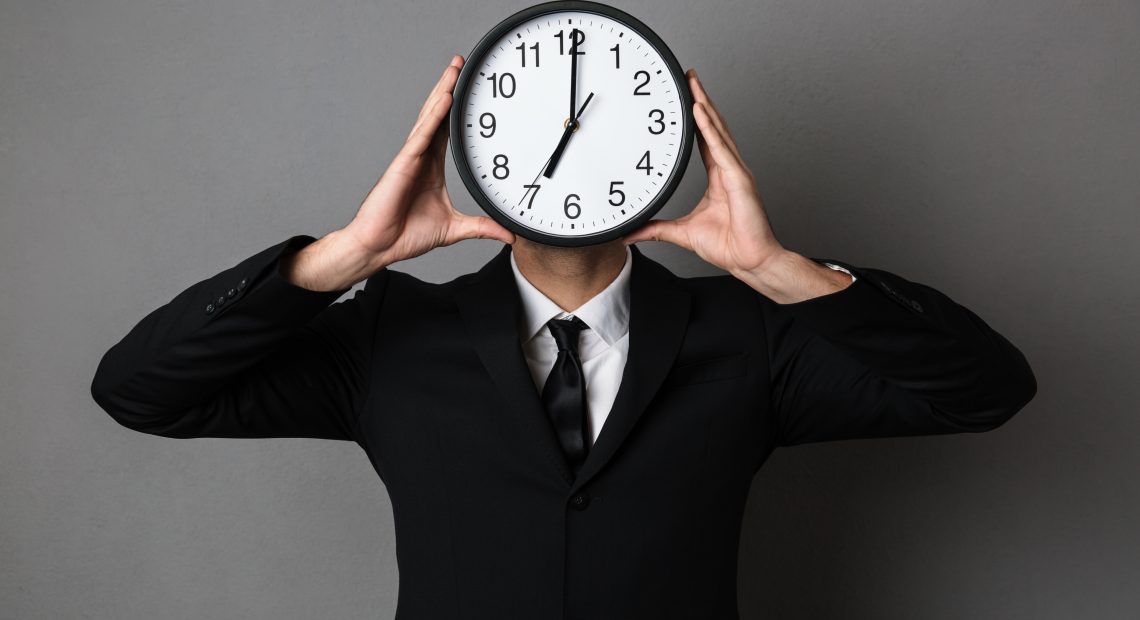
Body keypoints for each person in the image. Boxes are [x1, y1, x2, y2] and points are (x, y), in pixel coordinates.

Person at [90, 55, 1037, 619]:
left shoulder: (750, 338)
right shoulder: (390, 337)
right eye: (543, 130)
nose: (576, 152)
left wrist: (775, 267)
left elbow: (985, 388)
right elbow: (141, 390)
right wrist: (343, 258)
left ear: (659, 155)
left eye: (605, 131)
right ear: (482, 158)